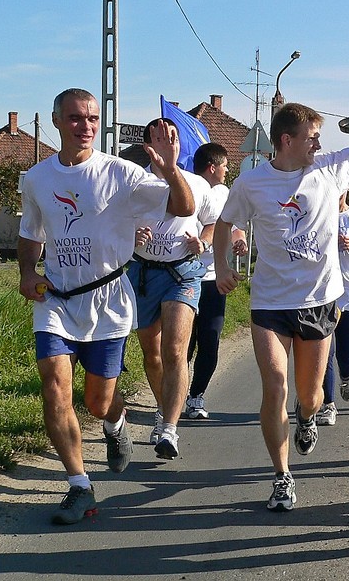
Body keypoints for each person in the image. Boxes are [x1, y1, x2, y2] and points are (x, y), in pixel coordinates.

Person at [214, 77, 349, 513]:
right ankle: (282, 476)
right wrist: (221, 266)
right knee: (275, 386)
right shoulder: (251, 183)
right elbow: (224, 223)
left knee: (309, 396)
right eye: (312, 136)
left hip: (319, 300)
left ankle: (308, 416)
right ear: (286, 140)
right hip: (270, 303)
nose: (318, 143)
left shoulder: (329, 169)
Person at [18, 88, 195, 525]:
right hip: (57, 299)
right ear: (57, 121)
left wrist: (171, 170)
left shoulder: (120, 173)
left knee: (98, 402)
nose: (86, 126)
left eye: (93, 119)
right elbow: (30, 233)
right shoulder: (37, 178)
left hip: (108, 301)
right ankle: (79, 486)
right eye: (76, 118)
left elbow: (183, 206)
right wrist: (26, 272)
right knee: (54, 386)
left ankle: (116, 423)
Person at [128, 119, 221, 459]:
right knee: (152, 354)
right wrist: (131, 237)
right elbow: (112, 223)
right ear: (147, 146)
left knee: (175, 350)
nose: (169, 143)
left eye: (173, 138)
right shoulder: (133, 182)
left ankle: (169, 428)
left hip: (183, 272)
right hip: (142, 273)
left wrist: (204, 241)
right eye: (160, 138)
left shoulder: (197, 183)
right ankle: (162, 406)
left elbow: (213, 222)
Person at [184, 142, 248, 420]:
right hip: (183, 277)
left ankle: (196, 396)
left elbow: (235, 228)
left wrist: (240, 241)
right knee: (183, 344)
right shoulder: (186, 188)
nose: (227, 170)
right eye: (224, 165)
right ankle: (173, 395)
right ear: (212, 167)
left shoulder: (224, 193)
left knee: (210, 339)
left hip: (213, 279)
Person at [316, 189, 349, 426]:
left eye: (340, 191)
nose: (336, 195)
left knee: (346, 355)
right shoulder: (317, 216)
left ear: (348, 190)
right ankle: (328, 405)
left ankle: (346, 376)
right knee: (325, 352)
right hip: (323, 293)